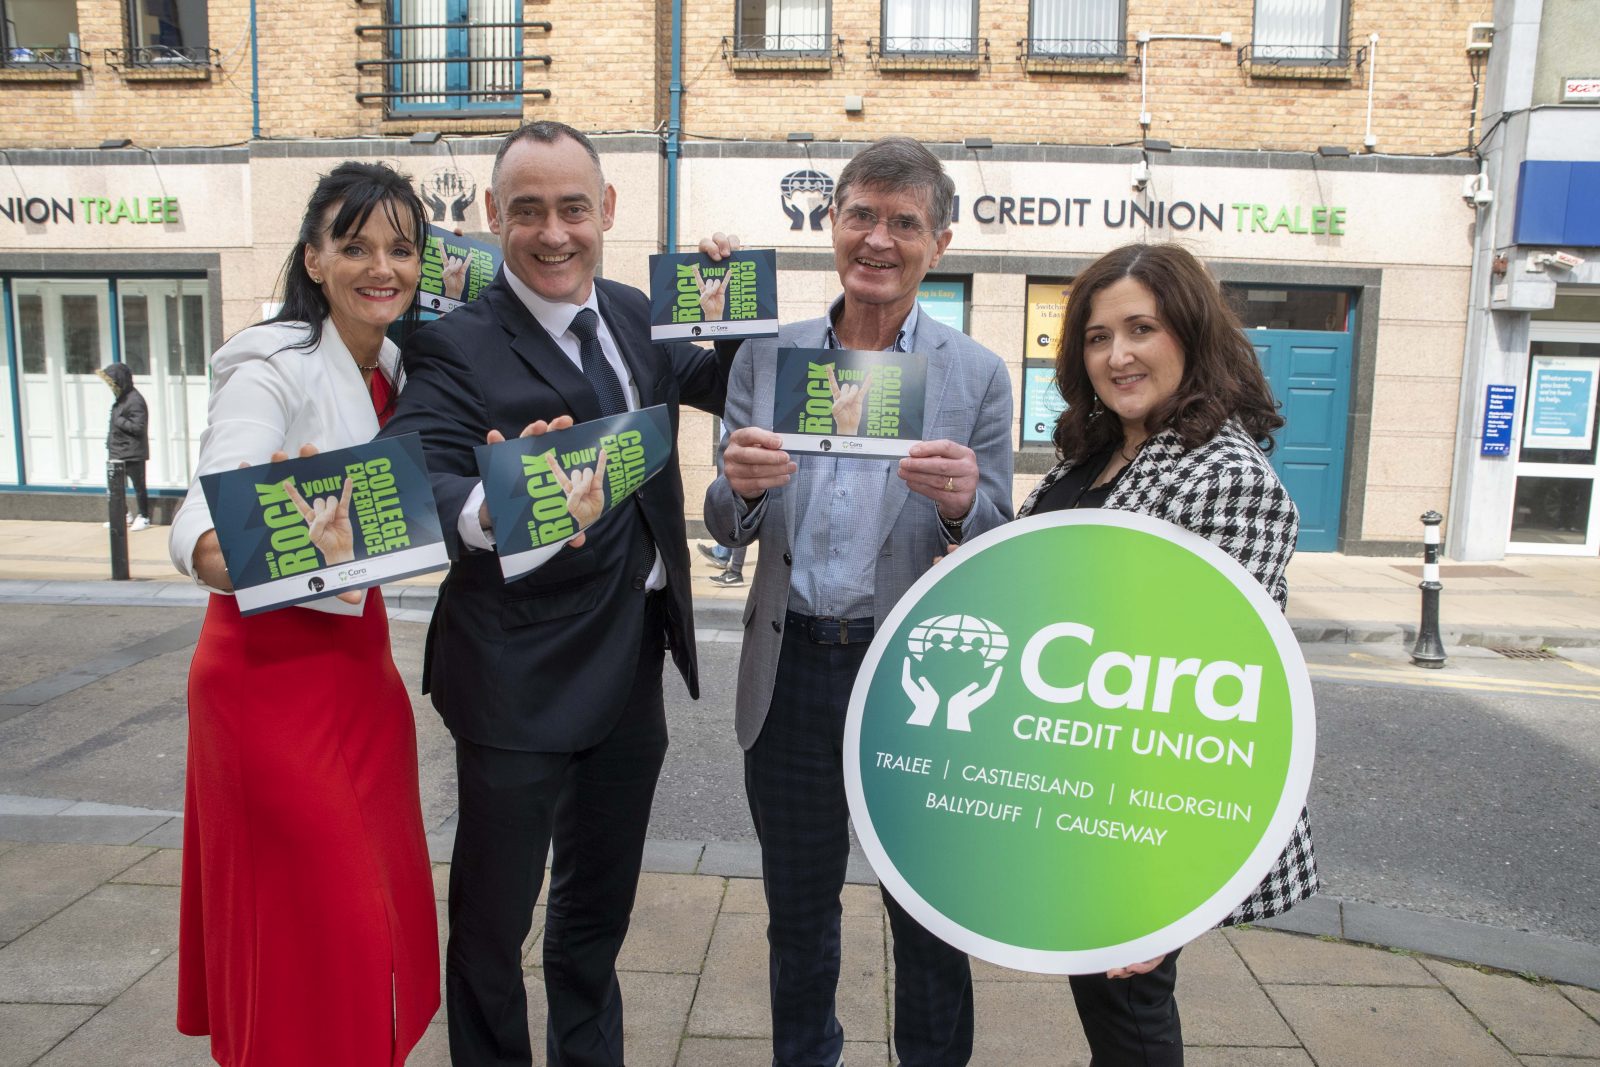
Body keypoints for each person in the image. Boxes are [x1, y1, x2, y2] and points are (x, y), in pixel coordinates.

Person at [378, 120, 734, 1067]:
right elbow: (415, 472)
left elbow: (732, 378)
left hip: (634, 662)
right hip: (517, 676)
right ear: (493, 215)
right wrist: (494, 508)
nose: (552, 232)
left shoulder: (634, 313)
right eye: (527, 210)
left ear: (606, 209)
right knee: (493, 929)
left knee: (596, 917)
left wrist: (730, 297)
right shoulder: (456, 345)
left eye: (573, 207)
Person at [703, 136, 1014, 1067]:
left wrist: (962, 505)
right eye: (861, 216)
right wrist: (739, 488)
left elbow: (996, 536)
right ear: (832, 223)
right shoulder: (768, 357)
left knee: (928, 910)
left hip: (915, 676)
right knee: (798, 912)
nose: (878, 240)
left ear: (940, 243)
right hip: (792, 665)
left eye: (904, 223)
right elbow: (724, 517)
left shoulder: (976, 373)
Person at [1016, 242, 1319, 1065]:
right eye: (1097, 336)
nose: (1117, 355)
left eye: (1140, 328)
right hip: (1078, 777)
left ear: (1189, 332)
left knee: (1129, 1009)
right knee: (1105, 998)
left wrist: (1174, 889)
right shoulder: (1092, 453)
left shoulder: (1224, 473)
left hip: (1145, 804)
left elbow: (1216, 686)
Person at [167, 161, 439, 1065]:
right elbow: (200, 534)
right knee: (326, 930)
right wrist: (288, 543)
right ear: (314, 259)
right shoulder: (269, 367)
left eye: (402, 248)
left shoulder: (398, 365)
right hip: (268, 681)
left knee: (381, 929)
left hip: (361, 676)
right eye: (355, 246)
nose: (382, 267)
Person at [98, 362, 151, 530]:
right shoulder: (121, 399)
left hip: (132, 452)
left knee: (138, 486)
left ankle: (144, 516)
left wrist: (119, 421)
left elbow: (139, 427)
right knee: (115, 486)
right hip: (117, 451)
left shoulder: (135, 400)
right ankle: (123, 514)